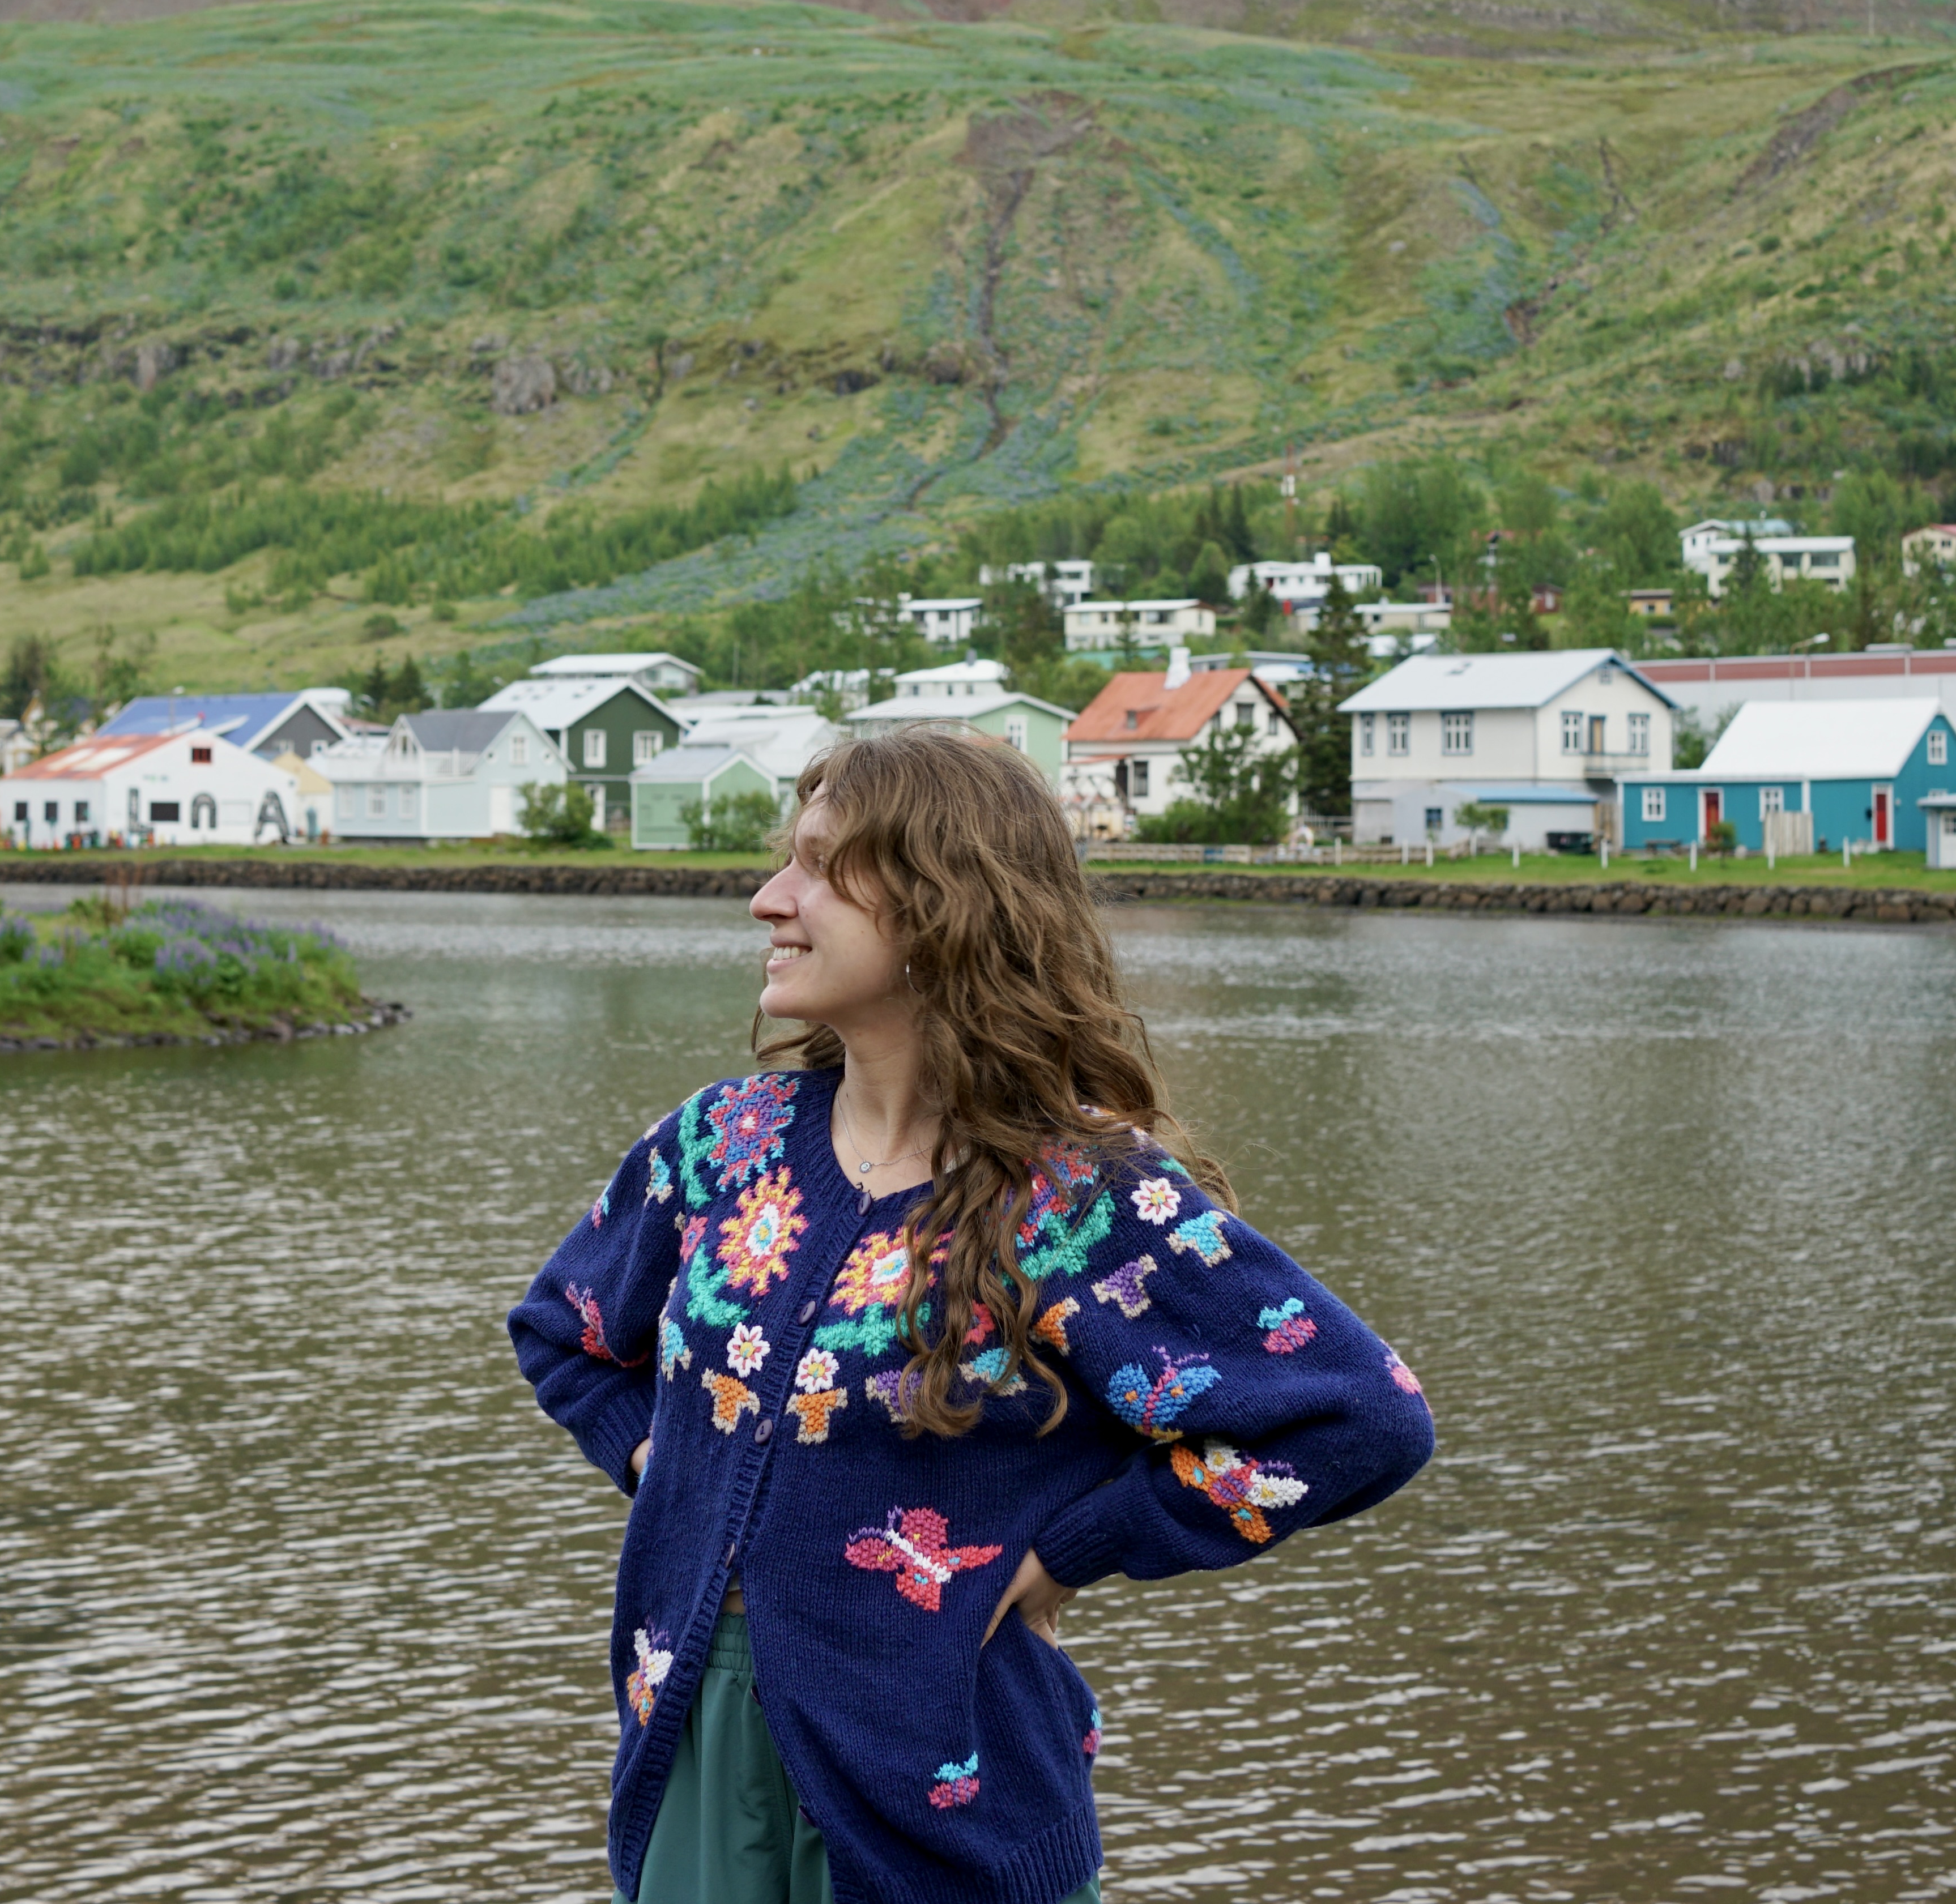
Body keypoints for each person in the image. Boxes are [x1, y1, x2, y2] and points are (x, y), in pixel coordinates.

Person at [512, 719, 1435, 1904]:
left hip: (949, 1778)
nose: (765, 899)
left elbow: (1364, 1417)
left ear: (940, 900)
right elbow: (565, 1330)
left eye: (815, 863)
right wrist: (670, 1463)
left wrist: (1072, 1548)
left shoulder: (1077, 1195)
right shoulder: (719, 1145)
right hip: (696, 1735)